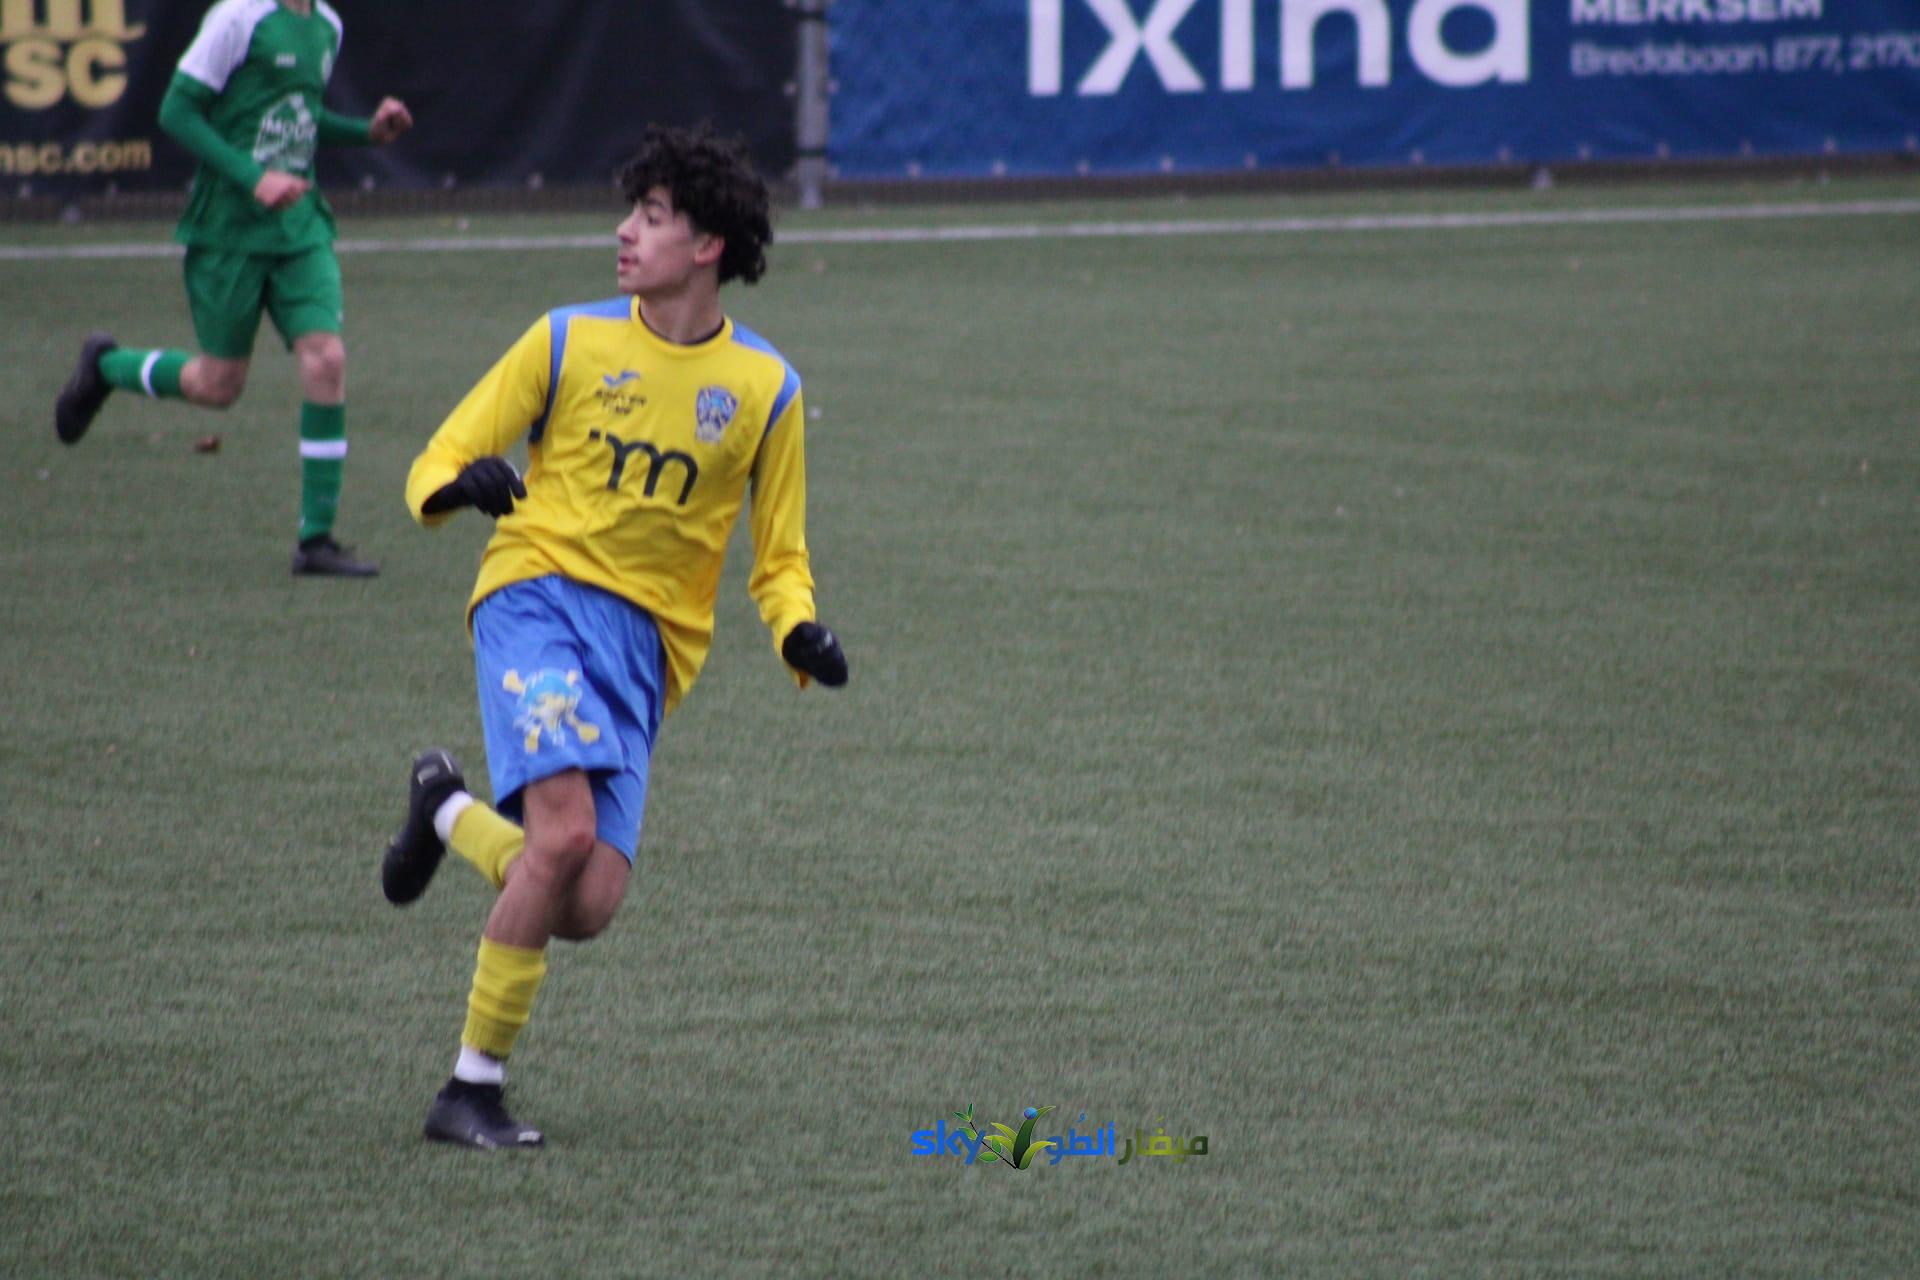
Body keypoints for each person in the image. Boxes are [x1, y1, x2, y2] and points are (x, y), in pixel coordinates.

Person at [382, 123, 849, 1150]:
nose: (625, 232)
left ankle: (444, 806)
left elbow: (779, 557)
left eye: (652, 216)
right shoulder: (565, 340)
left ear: (707, 245)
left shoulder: (767, 390)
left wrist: (799, 632)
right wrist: (462, 488)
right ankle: (469, 1088)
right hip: (534, 600)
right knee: (561, 839)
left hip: (646, 655)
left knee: (585, 901)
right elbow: (438, 458)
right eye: (630, 212)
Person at [53, 0, 411, 577]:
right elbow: (177, 110)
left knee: (327, 357)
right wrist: (253, 177)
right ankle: (107, 367)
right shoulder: (240, 17)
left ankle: (315, 540)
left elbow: (299, 118)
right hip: (227, 231)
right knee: (217, 386)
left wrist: (366, 133)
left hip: (299, 227)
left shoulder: (327, 25)